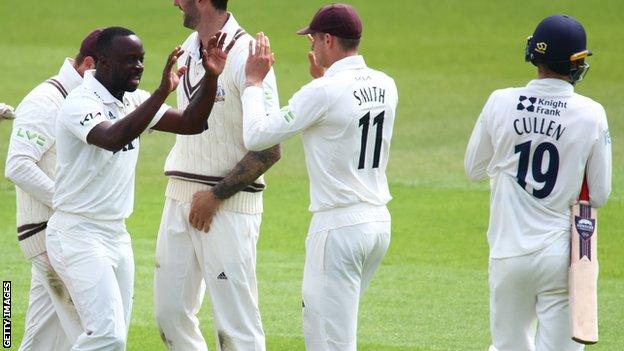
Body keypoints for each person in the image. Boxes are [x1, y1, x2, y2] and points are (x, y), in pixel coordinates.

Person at [45, 26, 234, 350]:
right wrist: (161, 92)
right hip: (77, 232)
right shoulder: (80, 102)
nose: (139, 66)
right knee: (108, 336)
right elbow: (111, 138)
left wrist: (212, 77)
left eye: (142, 59)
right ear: (102, 62)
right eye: (129, 60)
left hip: (116, 234)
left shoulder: (134, 100)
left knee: (112, 340)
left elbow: (191, 122)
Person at [242, 4, 398, 350]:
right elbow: (345, 113)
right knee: (337, 333)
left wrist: (255, 83)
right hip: (376, 224)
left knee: (328, 340)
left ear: (328, 39)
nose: (310, 46)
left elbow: (256, 137)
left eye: (312, 38)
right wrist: (322, 81)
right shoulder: (386, 84)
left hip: (338, 227)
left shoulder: (323, 92)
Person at [465, 15, 611, 351]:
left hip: (507, 253)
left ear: (534, 55)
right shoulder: (592, 113)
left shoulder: (499, 101)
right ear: (576, 64)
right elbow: (600, 194)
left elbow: (474, 169)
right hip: (562, 256)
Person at [154, 1, 281, 350]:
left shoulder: (248, 55)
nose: (174, 2)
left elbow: (269, 149)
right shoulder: (189, 52)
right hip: (178, 195)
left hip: (228, 207)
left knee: (235, 326)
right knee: (169, 316)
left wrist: (216, 196)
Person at [5, 29, 102, 351]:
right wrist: (69, 204)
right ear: (89, 64)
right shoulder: (45, 102)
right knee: (97, 332)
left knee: (44, 339)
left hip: (64, 230)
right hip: (50, 231)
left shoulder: (85, 96)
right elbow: (18, 166)